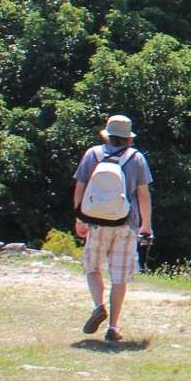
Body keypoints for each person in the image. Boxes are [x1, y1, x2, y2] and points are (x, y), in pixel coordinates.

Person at [73, 113, 153, 343]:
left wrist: (80, 219)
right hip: (126, 225)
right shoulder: (136, 158)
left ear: (108, 135)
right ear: (128, 137)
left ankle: (99, 306)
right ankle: (113, 327)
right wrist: (145, 225)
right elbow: (143, 195)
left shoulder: (92, 155)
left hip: (96, 223)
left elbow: (80, 189)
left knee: (93, 268)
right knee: (119, 277)